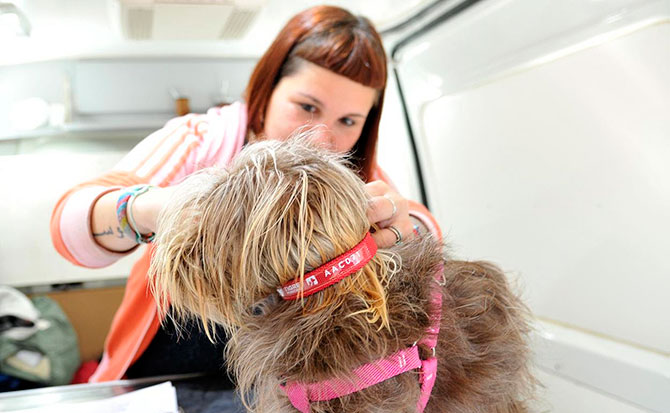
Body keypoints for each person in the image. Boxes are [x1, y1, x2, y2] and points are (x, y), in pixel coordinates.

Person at [50, 5, 442, 382]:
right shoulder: (200, 141)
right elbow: (71, 223)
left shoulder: (354, 175)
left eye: (348, 121)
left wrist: (405, 227)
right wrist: (155, 209)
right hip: (165, 368)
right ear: (267, 89)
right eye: (306, 107)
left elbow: (425, 228)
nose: (321, 138)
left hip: (287, 379)